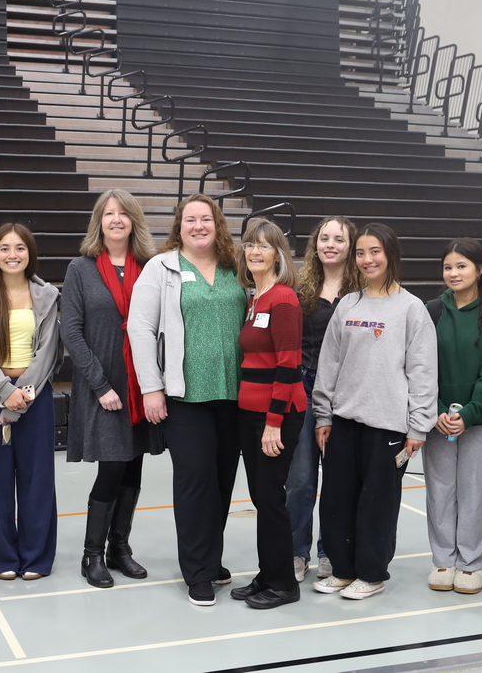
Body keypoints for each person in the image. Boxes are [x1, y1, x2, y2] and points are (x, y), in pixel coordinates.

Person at [127, 193, 246, 607]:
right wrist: (151, 387)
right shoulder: (161, 268)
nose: (199, 226)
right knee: (195, 481)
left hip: (234, 394)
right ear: (179, 226)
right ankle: (196, 571)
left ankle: (210, 559)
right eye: (190, 220)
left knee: (223, 481)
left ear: (218, 225)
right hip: (184, 395)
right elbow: (140, 329)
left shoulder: (237, 267)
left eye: (206, 219)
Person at [312, 223, 438, 600]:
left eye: (375, 252)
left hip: (388, 427)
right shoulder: (348, 305)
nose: (367, 259)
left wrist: (418, 427)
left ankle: (371, 573)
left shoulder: (412, 309)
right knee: (336, 500)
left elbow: (423, 372)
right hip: (344, 422)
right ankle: (342, 569)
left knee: (376, 504)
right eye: (362, 253)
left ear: (390, 255)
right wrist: (323, 415)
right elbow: (329, 365)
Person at [61, 189, 162, 589]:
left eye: (123, 213)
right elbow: (71, 331)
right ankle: (93, 554)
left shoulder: (150, 266)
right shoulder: (80, 269)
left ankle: (121, 548)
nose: (116, 219)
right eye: (108, 213)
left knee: (134, 467)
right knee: (111, 469)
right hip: (104, 386)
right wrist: (100, 384)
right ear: (98, 221)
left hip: (141, 384)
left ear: (134, 220)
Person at [0, 223, 61, 580]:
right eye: (4, 248)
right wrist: (6, 392)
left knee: (37, 478)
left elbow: (49, 350)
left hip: (35, 399)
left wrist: (25, 392)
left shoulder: (47, 295)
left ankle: (35, 557)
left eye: (19, 248)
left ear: (30, 253)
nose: (12, 255)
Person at [423, 238, 482, 595]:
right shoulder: (430, 311)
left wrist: (471, 413)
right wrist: (439, 411)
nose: (454, 273)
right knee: (440, 490)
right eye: (448, 266)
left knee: (474, 491)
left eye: (461, 266)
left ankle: (471, 564)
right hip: (437, 419)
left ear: (479, 270)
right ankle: (443, 560)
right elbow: (421, 367)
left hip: (481, 420)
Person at [229, 219, 306, 609]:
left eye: (264, 246)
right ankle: (268, 574)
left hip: (275, 416)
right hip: (249, 413)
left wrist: (274, 422)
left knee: (271, 499)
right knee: (262, 497)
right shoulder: (253, 299)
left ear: (278, 253)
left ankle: (284, 585)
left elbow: (289, 364)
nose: (255, 252)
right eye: (249, 245)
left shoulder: (284, 299)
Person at [287, 216, 361, 584]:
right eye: (324, 238)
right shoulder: (299, 286)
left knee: (337, 479)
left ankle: (330, 550)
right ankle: (297, 552)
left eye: (339, 239)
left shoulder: (364, 288)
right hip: (302, 388)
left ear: (351, 246)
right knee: (300, 479)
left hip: (346, 393)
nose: (330, 244)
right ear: (315, 244)